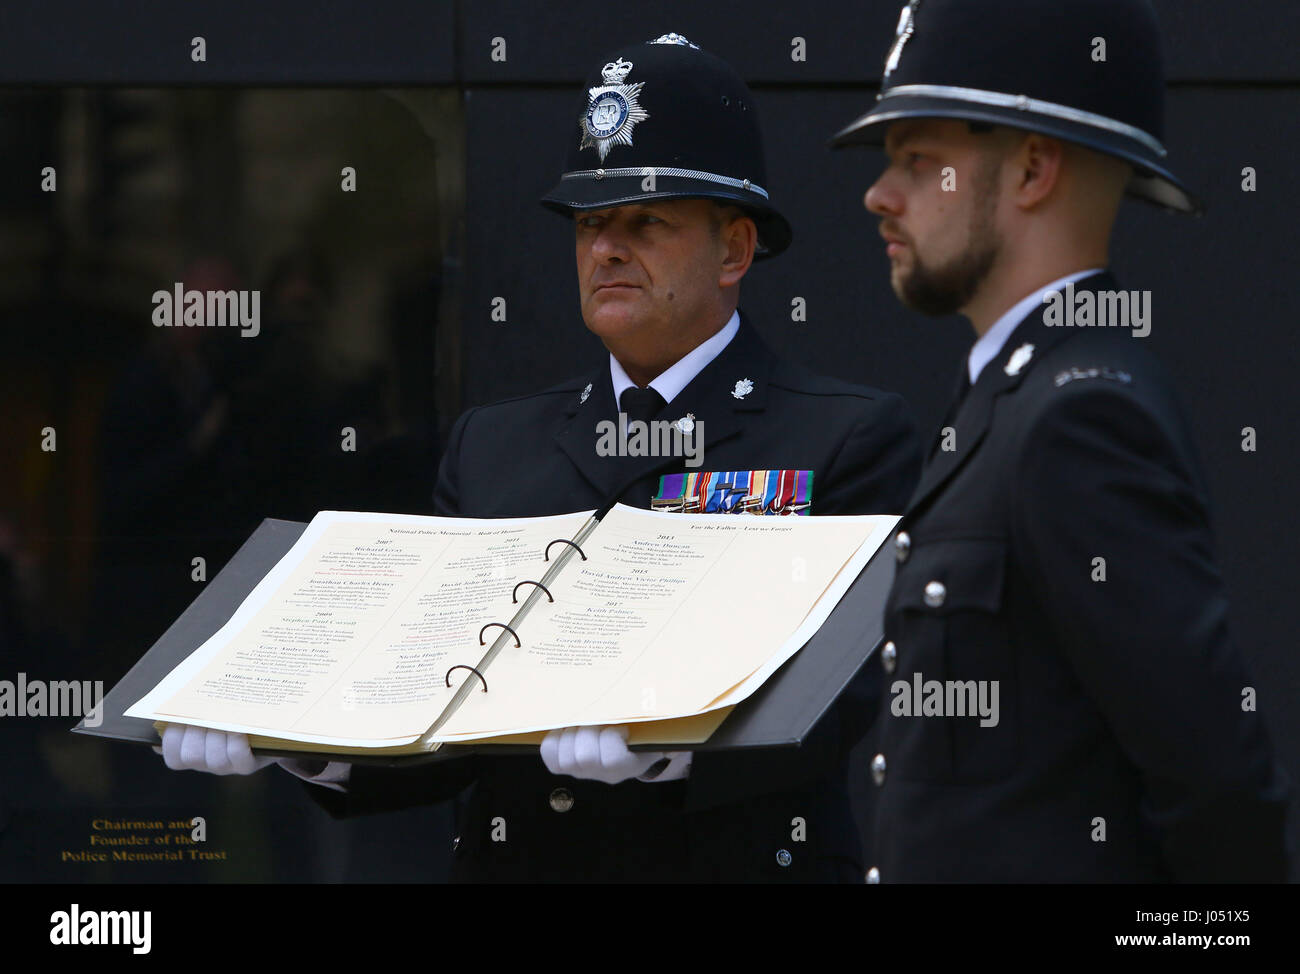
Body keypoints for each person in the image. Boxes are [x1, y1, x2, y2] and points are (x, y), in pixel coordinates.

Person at [161, 33, 922, 882]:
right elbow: (441, 708)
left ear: (735, 251)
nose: (606, 248)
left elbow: (841, 699)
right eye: (592, 222)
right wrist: (303, 742)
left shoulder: (844, 438)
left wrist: (667, 750)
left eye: (647, 222)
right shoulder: (496, 446)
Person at [828, 0, 1290, 881]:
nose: (879, 195)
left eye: (920, 161)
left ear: (1035, 168)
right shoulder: (1014, 396)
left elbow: (1218, 783)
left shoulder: (1077, 419)